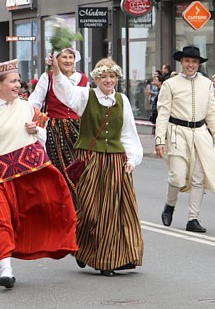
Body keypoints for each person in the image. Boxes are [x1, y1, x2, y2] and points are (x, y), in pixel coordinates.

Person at [0, 59, 77, 288]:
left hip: (22, 172)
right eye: (13, 81)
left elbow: (43, 133)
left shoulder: (27, 106)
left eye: (18, 80)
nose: (18, 85)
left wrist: (36, 129)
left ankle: (14, 259)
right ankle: (5, 266)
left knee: (21, 216)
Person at [50, 56, 143, 276]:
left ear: (117, 78)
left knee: (112, 213)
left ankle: (107, 260)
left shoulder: (122, 100)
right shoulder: (85, 95)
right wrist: (56, 70)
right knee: (89, 210)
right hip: (91, 160)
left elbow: (129, 133)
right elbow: (65, 93)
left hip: (115, 161)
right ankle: (81, 246)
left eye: (112, 76)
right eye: (104, 76)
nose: (108, 80)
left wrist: (131, 159)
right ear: (96, 78)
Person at [155, 46, 215, 233]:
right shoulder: (170, 84)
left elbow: (212, 111)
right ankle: (170, 205)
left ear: (198, 64)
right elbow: (162, 113)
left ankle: (192, 218)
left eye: (194, 62)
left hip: (200, 133)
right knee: (177, 176)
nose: (191, 65)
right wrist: (159, 139)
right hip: (177, 132)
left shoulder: (207, 84)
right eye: (187, 61)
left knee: (198, 177)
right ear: (181, 62)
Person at [28, 48, 89, 197]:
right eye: (64, 57)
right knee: (61, 167)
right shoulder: (48, 77)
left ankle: (80, 204)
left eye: (71, 57)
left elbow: (86, 104)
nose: (68, 60)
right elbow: (35, 101)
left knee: (80, 166)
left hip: (78, 128)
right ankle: (66, 201)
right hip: (56, 129)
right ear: (56, 60)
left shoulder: (83, 79)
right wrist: (31, 121)